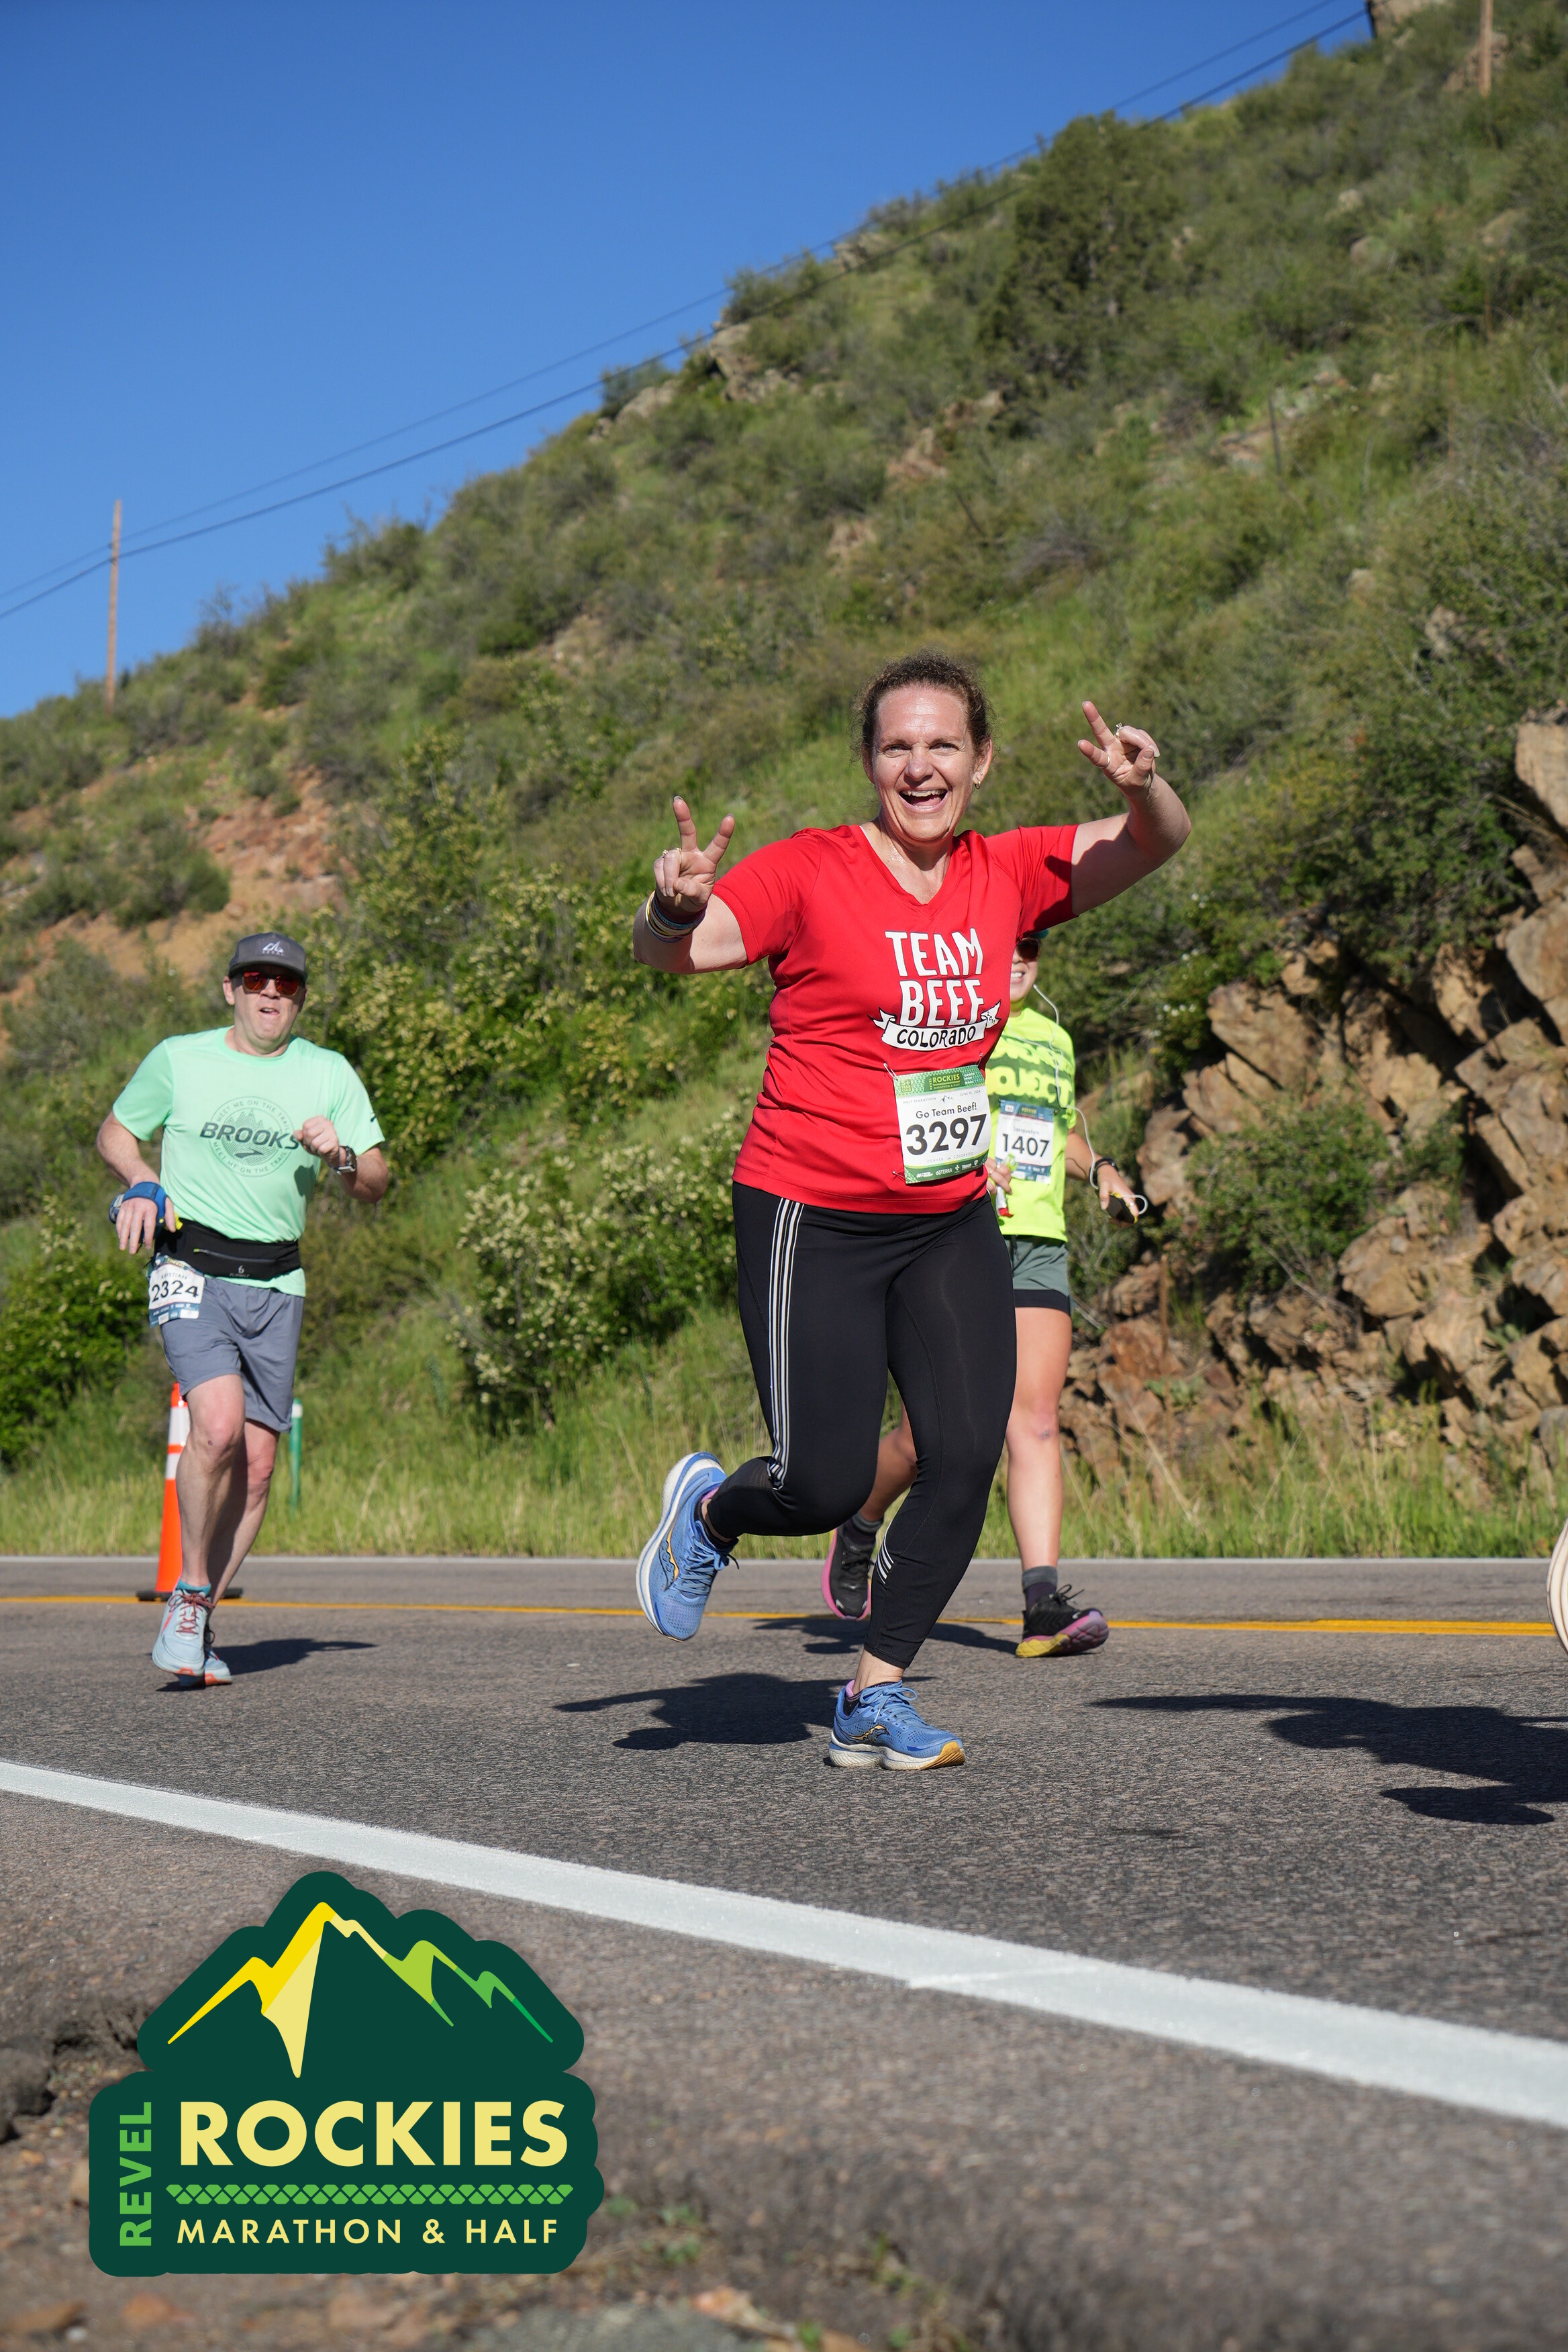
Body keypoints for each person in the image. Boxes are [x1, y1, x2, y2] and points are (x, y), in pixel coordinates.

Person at [630, 650, 1188, 1770]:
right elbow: (676, 951)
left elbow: (1156, 841)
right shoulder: (811, 869)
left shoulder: (1009, 870)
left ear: (981, 761)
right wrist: (670, 904)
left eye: (943, 744)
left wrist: (1143, 788)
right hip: (810, 1208)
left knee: (965, 1452)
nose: (920, 766)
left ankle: (874, 1692)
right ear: (869, 762)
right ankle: (712, 1516)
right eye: (897, 746)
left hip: (945, 1215)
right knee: (825, 1482)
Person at [822, 932, 1144, 1656]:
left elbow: (1060, 1133)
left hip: (1038, 1243)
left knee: (1035, 1420)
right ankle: (862, 1517)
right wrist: (967, 1165)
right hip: (959, 1236)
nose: (1019, 955)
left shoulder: (1053, 1039)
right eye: (1006, 941)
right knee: (927, 1435)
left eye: (1031, 943)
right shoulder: (952, 1024)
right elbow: (908, 1116)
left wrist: (1101, 1171)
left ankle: (1041, 1607)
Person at [97, 932, 389, 1686]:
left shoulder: (328, 1073)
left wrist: (341, 1156)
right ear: (231, 989)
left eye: (286, 986)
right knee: (218, 1428)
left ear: (300, 1001)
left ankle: (194, 1617)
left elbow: (375, 1181)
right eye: (257, 980)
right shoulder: (179, 1058)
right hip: (190, 1265)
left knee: (258, 1470)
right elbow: (116, 1131)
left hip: (277, 1282)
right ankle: (191, 1592)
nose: (271, 995)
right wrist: (142, 1180)